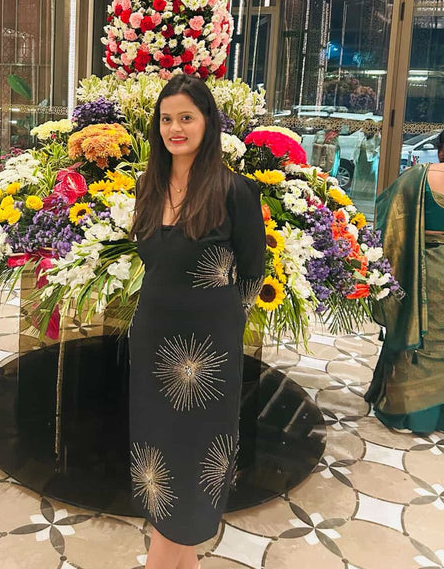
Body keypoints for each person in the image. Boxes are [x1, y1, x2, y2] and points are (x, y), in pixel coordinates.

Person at [129, 75, 266, 567]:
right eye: (167, 119)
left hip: (208, 354)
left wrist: (220, 322)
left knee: (194, 458)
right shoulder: (148, 186)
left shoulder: (235, 191)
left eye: (186, 117)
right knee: (159, 456)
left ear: (208, 122)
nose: (175, 128)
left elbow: (253, 272)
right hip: (152, 341)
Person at [365, 129, 444, 433]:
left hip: (422, 273)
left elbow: (390, 222)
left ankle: (407, 410)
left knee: (415, 334)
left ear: (440, 149)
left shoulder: (418, 178)